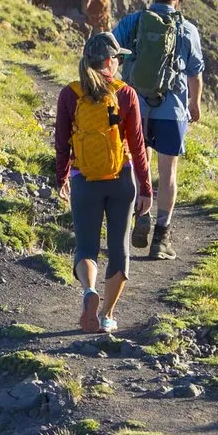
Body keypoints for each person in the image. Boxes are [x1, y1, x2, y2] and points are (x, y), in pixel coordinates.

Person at [51, 31, 153, 337]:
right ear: (110, 62)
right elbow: (137, 146)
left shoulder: (70, 94)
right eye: (119, 59)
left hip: (84, 180)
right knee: (119, 249)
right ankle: (107, 315)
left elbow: (60, 142)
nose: (120, 64)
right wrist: (146, 188)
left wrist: (61, 177)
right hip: (121, 179)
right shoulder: (125, 94)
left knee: (86, 247)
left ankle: (88, 291)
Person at [112, 0, 204, 260]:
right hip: (172, 108)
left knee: (140, 165)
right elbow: (195, 72)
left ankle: (140, 217)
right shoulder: (187, 29)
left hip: (136, 105)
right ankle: (161, 239)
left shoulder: (134, 22)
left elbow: (110, 50)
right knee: (169, 172)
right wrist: (195, 104)